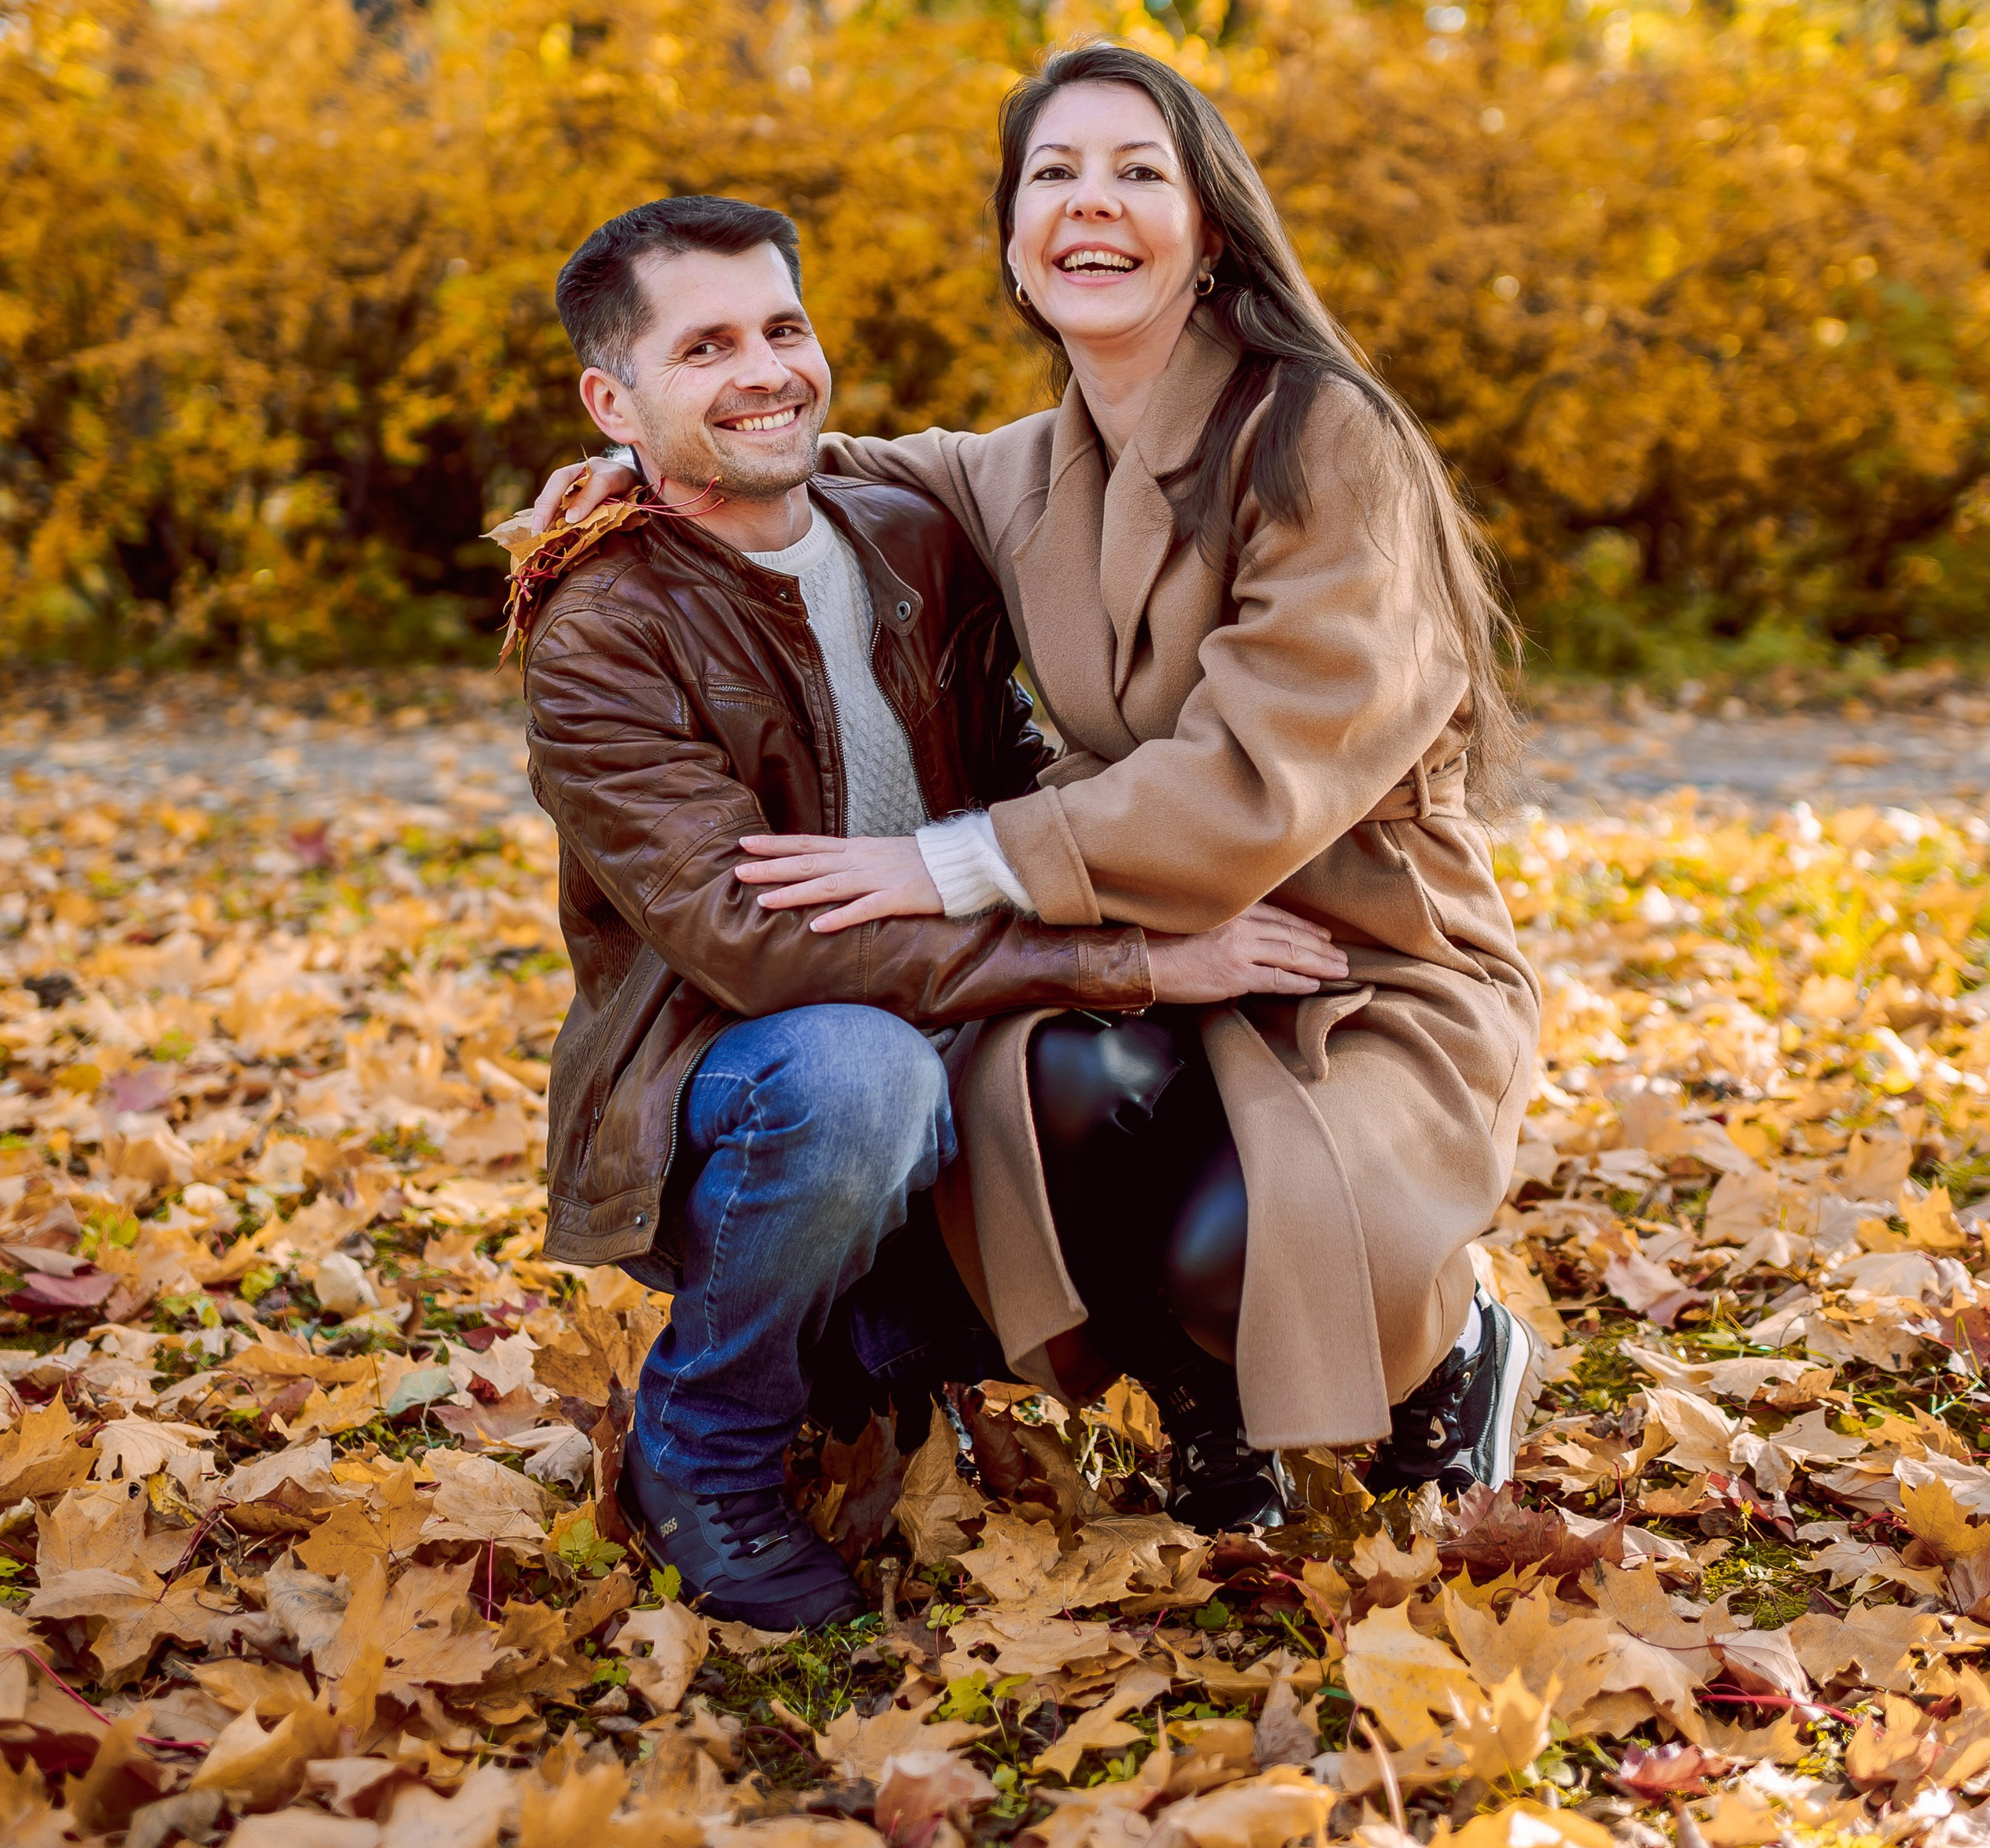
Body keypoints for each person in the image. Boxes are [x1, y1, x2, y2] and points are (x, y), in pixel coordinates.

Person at [540, 46, 1543, 1509]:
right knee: (1044, 1086)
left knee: (1242, 1250)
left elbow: (1253, 781)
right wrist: (625, 472)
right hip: (1147, 943)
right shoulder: (1025, 471)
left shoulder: (1323, 437)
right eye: (1054, 174)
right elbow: (791, 452)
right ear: (1015, 243)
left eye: (1140, 171)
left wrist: (946, 860)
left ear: (1211, 228)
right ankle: (1206, 1397)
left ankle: (1457, 1350)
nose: (1093, 202)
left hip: (1352, 953)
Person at [512, 190, 1357, 1631]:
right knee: (865, 1076)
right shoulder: (601, 628)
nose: (767, 371)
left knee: (1155, 1049)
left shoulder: (910, 536)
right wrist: (1127, 961)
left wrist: (1147, 922)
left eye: (784, 328)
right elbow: (756, 944)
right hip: (738, 1074)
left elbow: (1023, 763)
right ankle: (702, 1448)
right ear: (614, 400)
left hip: (963, 1015)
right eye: (706, 348)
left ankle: (984, 1365)